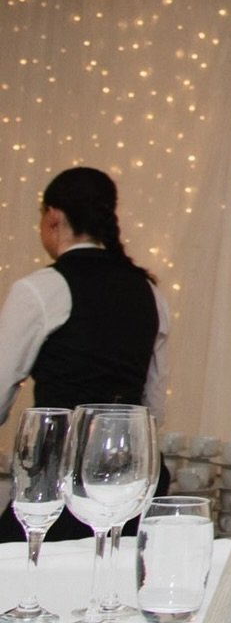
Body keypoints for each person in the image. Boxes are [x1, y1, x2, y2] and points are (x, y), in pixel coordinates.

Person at [0, 166, 171, 543]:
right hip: (133, 487)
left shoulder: (40, 289)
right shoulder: (150, 292)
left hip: (57, 487)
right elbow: (153, 409)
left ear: (52, 217)